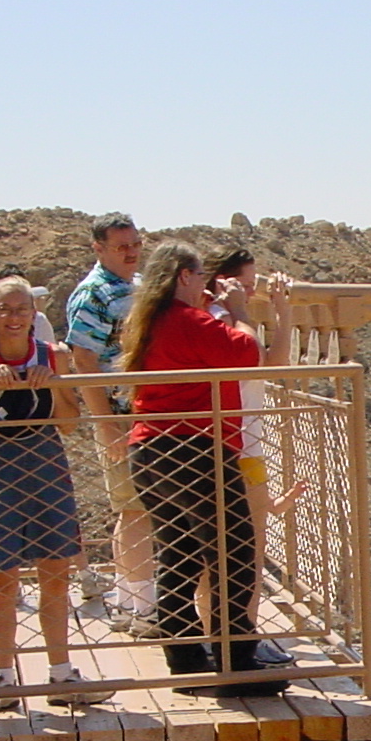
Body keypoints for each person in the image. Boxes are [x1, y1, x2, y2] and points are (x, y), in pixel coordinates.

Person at [121, 241, 292, 691]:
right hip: (193, 449)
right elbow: (246, 353)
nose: (203, 284)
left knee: (178, 555)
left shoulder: (152, 322)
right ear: (183, 276)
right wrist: (239, 310)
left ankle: (187, 663)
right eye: (198, 276)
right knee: (234, 553)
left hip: (149, 451)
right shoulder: (188, 320)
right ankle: (237, 663)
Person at [0, 276, 111, 712]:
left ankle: (61, 674)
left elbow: (69, 423)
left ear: (33, 314)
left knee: (55, 573)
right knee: (2, 577)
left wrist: (51, 384)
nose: (14, 317)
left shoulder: (52, 355)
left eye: (22, 308)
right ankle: (3, 678)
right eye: (4, 309)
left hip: (46, 464)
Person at [64, 214, 157, 632]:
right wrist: (105, 423)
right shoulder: (93, 294)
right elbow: (83, 359)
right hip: (121, 416)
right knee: (134, 509)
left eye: (135, 244)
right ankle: (142, 608)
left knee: (140, 508)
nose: (131, 252)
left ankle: (129, 601)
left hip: (144, 414)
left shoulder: (135, 286)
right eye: (121, 246)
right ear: (98, 248)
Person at [202, 246, 306, 575]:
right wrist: (242, 311)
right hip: (239, 445)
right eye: (246, 285)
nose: (250, 293)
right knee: (248, 554)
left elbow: (274, 363)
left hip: (238, 443)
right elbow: (260, 362)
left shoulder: (217, 317)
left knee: (219, 554)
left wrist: (283, 312)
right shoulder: (223, 320)